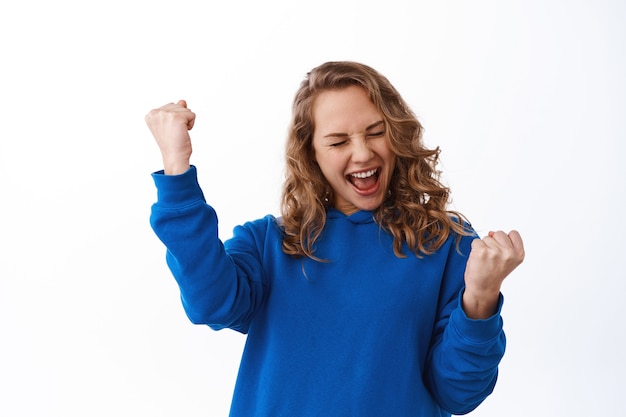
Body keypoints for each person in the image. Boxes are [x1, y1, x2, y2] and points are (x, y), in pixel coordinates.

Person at [146, 61, 525, 417]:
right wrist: (177, 169)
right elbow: (209, 303)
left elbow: (459, 394)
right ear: (311, 154)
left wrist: (480, 298)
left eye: (376, 132)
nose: (362, 153)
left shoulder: (447, 246)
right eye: (338, 141)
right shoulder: (268, 244)